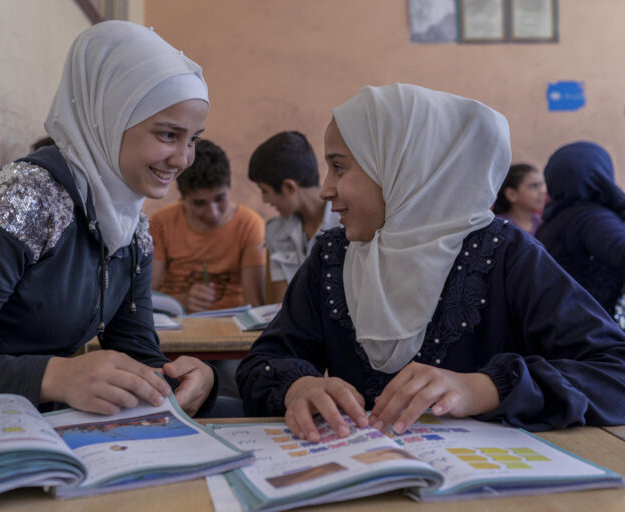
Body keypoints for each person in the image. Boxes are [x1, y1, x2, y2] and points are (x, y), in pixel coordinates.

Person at [236, 84, 625, 443]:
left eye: (339, 167)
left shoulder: (506, 255)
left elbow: (615, 372)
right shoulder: (333, 257)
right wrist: (297, 385)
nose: (325, 189)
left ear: (405, 167)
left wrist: (484, 388)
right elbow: (264, 361)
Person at [0, 21, 218, 422]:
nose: (182, 159)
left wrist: (187, 380)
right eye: (167, 135)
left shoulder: (129, 227)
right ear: (106, 118)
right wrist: (54, 376)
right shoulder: (18, 200)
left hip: (32, 423)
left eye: (193, 139)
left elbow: (136, 353)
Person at [150, 138, 266, 313]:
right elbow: (145, 294)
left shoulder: (249, 224)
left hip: (233, 324)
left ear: (229, 188)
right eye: (199, 203)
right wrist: (182, 300)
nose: (213, 212)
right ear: (183, 199)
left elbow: (255, 303)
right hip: (175, 320)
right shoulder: (161, 222)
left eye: (220, 199)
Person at [535, 142, 625, 322]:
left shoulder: (554, 220)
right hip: (599, 328)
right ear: (600, 173)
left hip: (566, 328)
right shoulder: (592, 219)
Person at [248, 131, 339, 303]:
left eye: (264, 191)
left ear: (289, 187)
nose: (265, 200)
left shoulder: (346, 223)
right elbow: (280, 305)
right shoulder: (276, 230)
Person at [492, 163, 546, 235]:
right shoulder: (498, 227)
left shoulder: (543, 224)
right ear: (512, 194)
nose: (542, 191)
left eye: (541, 184)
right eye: (533, 186)